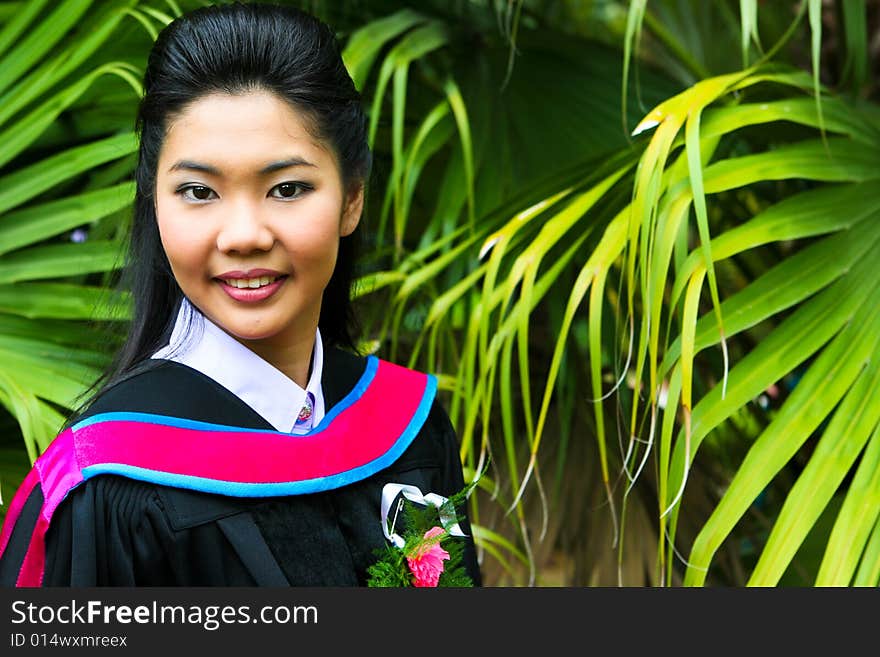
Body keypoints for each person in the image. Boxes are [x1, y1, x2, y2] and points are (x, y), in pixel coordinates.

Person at [0, 2, 481, 587]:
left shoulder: (407, 426)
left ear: (352, 197)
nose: (244, 236)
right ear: (154, 201)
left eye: (287, 188)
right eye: (200, 191)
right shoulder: (110, 481)